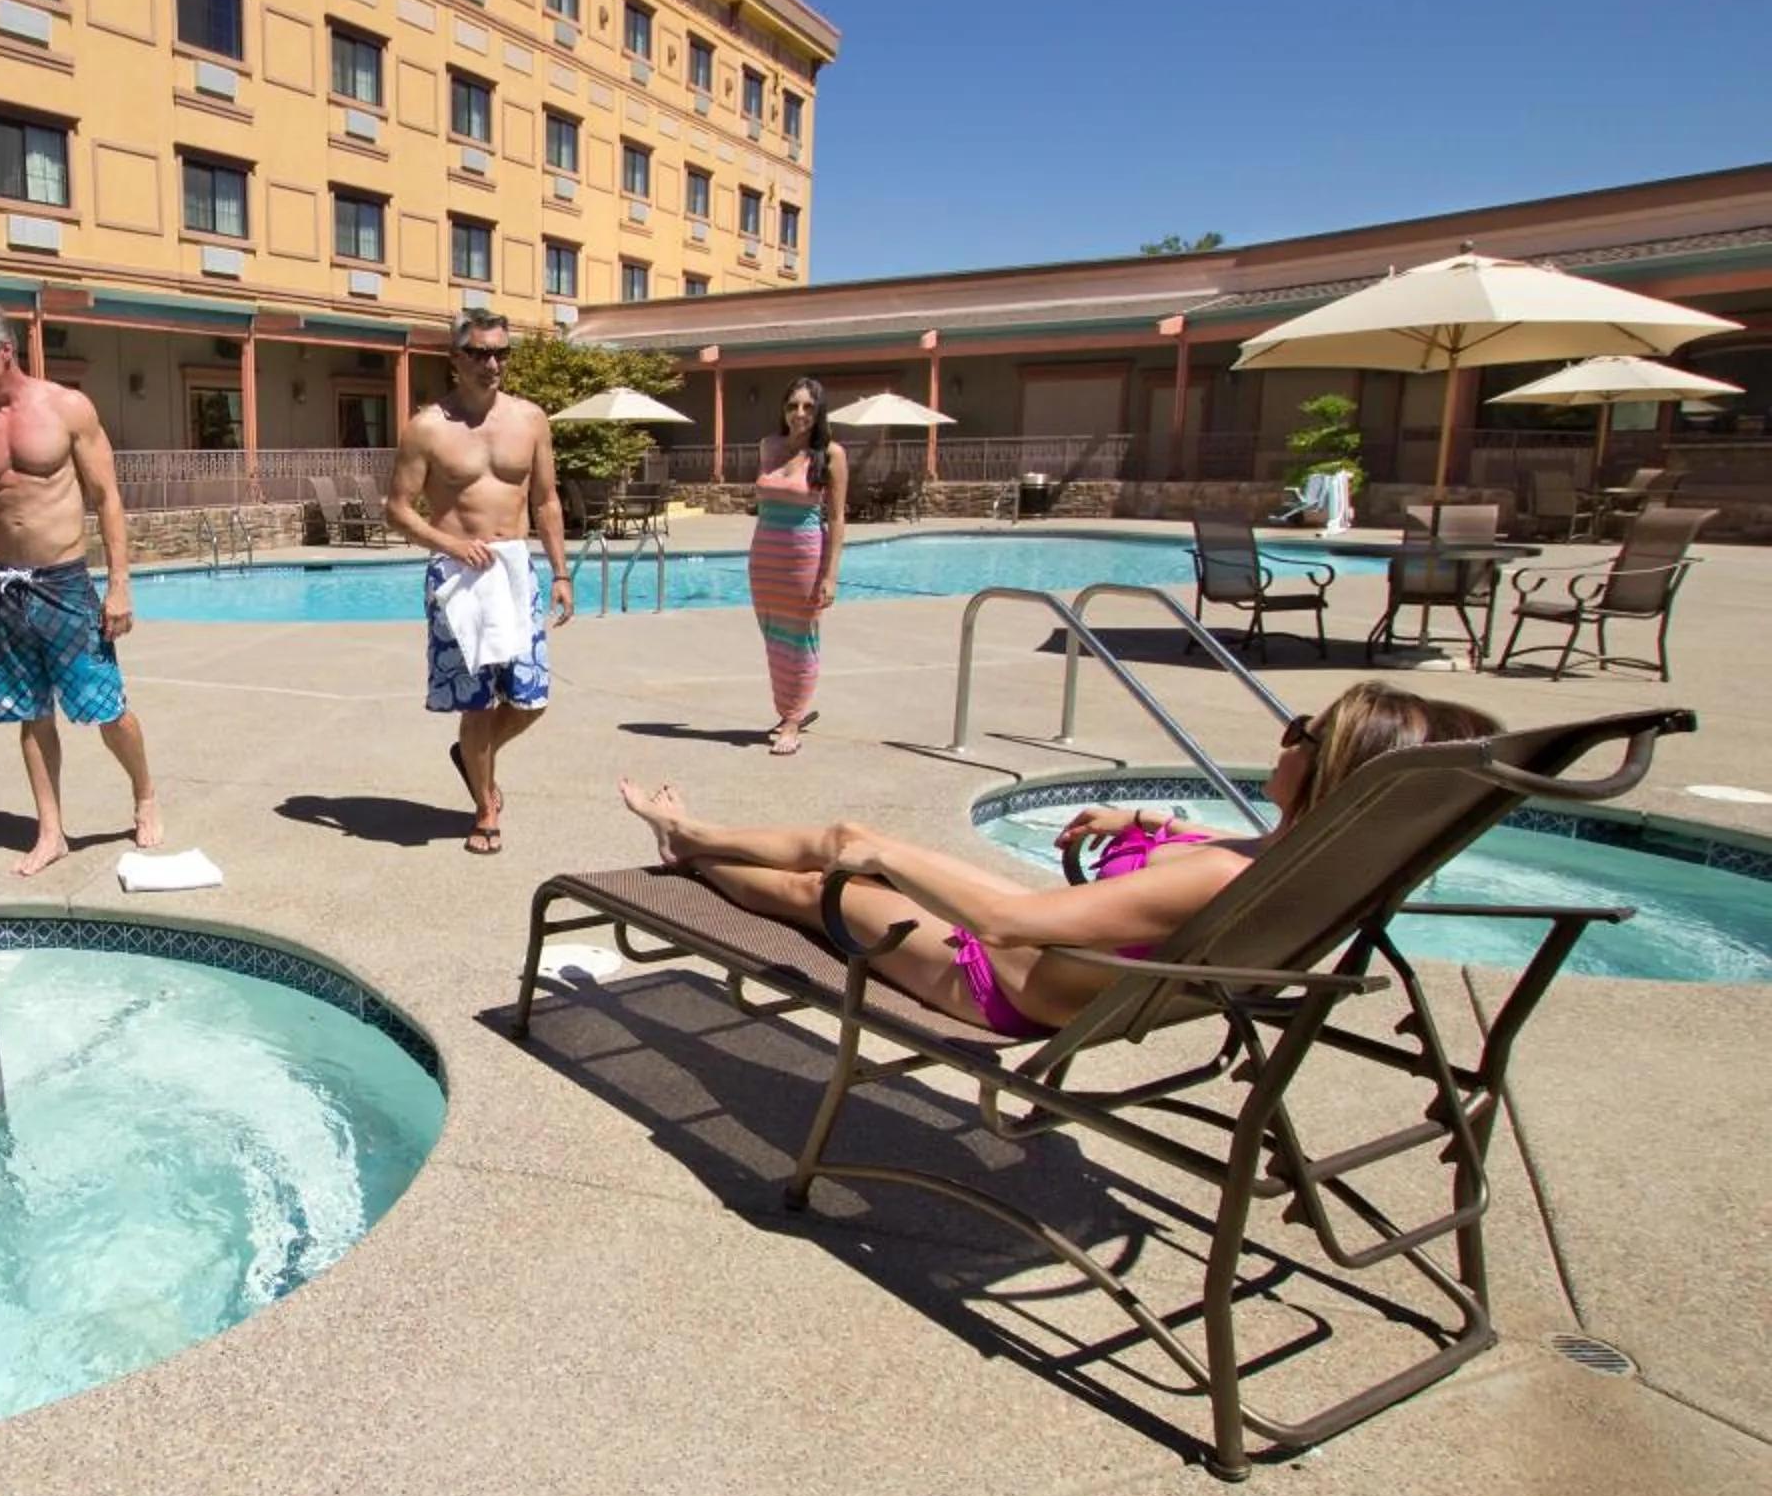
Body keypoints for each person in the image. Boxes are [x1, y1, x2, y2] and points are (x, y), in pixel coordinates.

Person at [616, 681, 1500, 1036]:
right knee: (849, 855)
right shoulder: (1303, 862)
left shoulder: (1224, 875)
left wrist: (880, 850)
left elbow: (1008, 922)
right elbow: (1200, 867)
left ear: (1331, 771)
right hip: (1058, 968)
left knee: (825, 878)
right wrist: (1143, 819)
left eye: (1304, 732)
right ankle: (693, 835)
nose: (1286, 737)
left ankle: (689, 846)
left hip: (1001, 979)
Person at [0, 300, 161, 876]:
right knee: (31, 713)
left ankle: (144, 793)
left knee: (107, 707)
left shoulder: (67, 408)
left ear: (4, 351)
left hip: (65, 584)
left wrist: (119, 586)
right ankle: (51, 830)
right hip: (5, 590)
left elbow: (107, 497)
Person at [385, 309, 573, 855]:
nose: (492, 363)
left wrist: (560, 571)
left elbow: (546, 501)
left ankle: (472, 756)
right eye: (479, 353)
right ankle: (485, 805)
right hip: (458, 575)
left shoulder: (531, 419)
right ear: (455, 358)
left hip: (514, 571)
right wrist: (450, 545)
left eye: (501, 352)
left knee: (531, 700)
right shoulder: (427, 428)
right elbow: (397, 510)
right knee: (478, 705)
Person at [749, 375, 846, 757]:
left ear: (819, 412)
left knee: (801, 639)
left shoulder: (831, 454)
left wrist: (830, 575)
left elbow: (836, 518)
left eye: (808, 406)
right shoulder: (768, 446)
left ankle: (792, 720)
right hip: (765, 558)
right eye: (793, 405)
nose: (799, 413)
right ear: (783, 409)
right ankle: (787, 709)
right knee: (775, 639)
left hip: (804, 558)